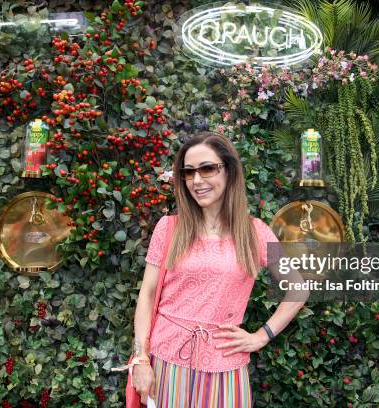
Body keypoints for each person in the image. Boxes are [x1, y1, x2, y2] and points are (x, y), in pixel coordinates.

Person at [131, 131, 307, 407]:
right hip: (167, 362)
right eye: (189, 172)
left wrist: (261, 336)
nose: (197, 180)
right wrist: (141, 357)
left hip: (225, 366)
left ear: (229, 171)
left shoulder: (255, 233)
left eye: (208, 168)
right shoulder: (169, 229)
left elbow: (298, 287)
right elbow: (148, 295)